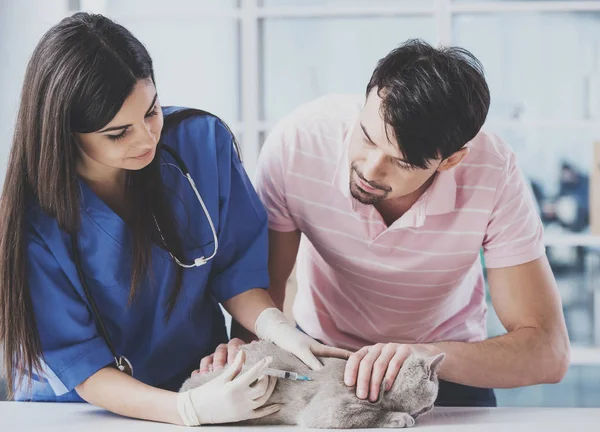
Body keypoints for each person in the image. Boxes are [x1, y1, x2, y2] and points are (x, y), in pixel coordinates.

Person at [0, 13, 348, 425]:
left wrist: (275, 326)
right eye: (117, 133)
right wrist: (187, 411)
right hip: (81, 411)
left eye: (151, 111)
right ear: (64, 132)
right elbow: (80, 364)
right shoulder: (33, 221)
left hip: (196, 379)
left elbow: (236, 272)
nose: (147, 138)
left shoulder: (201, 144)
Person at [202, 39, 571, 408]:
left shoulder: (493, 172)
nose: (370, 168)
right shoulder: (299, 142)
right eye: (366, 137)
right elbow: (263, 288)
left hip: (441, 369)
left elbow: (548, 352)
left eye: (402, 162)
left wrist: (420, 356)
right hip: (321, 362)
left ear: (450, 161)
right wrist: (245, 355)